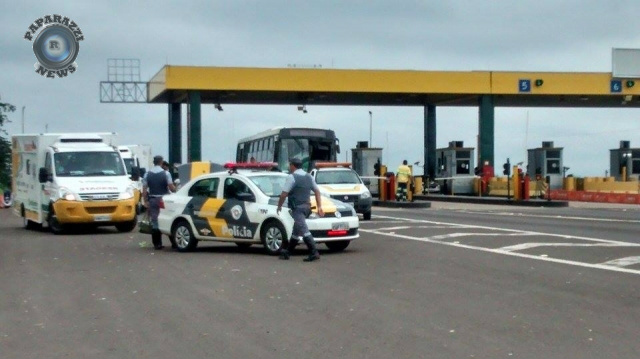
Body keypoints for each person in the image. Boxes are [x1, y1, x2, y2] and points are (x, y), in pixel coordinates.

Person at [276, 157, 324, 262]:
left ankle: (314, 252)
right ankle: (288, 252)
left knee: (304, 230)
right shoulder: (309, 177)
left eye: (290, 165)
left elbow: (284, 194)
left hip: (297, 208)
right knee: (296, 231)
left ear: (293, 166)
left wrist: (279, 206)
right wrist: (319, 206)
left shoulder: (291, 177)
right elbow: (317, 191)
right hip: (307, 207)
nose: (289, 167)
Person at [142, 155, 176, 249]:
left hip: (153, 199)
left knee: (155, 221)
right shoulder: (166, 174)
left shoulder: (147, 174)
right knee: (169, 219)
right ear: (161, 162)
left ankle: (157, 244)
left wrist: (145, 201)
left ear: (154, 162)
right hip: (164, 199)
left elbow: (144, 189)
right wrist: (176, 189)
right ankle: (174, 242)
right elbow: (171, 188)